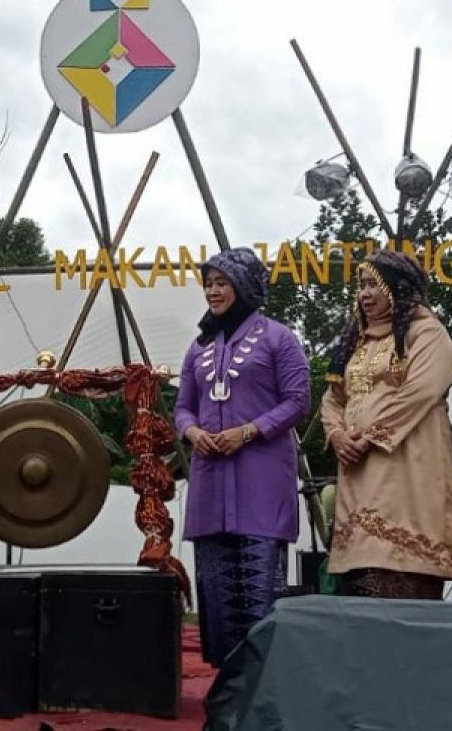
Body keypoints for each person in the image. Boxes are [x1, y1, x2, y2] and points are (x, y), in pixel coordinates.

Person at [173, 248, 310, 666]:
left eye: (222, 283)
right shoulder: (199, 347)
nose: (213, 291)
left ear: (244, 286)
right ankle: (227, 686)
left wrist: (249, 431)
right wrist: (194, 433)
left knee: (257, 587)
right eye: (208, 283)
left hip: (261, 480)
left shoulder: (278, 338)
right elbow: (182, 407)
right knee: (217, 591)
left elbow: (299, 401)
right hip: (210, 480)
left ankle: (263, 684)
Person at [322, 250, 452, 599]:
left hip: (407, 463)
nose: (365, 294)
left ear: (399, 287)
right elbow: (333, 398)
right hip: (358, 469)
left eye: (375, 284)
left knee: (401, 570)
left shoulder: (426, 331)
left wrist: (372, 435)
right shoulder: (354, 342)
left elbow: (421, 391)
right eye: (361, 285)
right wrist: (337, 434)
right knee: (361, 574)